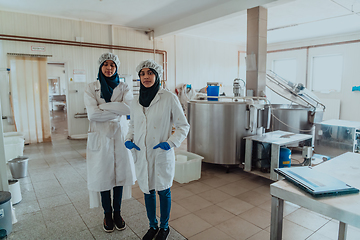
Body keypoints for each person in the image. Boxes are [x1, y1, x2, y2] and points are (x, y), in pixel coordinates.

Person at [125, 59, 190, 240]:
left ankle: (164, 227)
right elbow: (132, 125)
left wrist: (170, 143)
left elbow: (183, 126)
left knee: (163, 190)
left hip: (160, 152)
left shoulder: (169, 97)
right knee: (147, 190)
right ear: (139, 77)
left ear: (157, 75)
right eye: (142, 74)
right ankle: (152, 226)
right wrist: (128, 139)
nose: (146, 77)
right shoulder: (135, 101)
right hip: (141, 152)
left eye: (150, 73)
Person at [84, 52, 136, 233]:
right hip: (100, 137)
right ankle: (107, 214)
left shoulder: (124, 87)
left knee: (119, 176)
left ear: (116, 68)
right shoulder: (91, 87)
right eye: (105, 64)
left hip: (119, 136)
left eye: (112, 65)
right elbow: (93, 115)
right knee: (103, 176)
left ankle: (117, 213)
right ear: (100, 67)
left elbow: (129, 108)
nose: (108, 68)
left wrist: (103, 107)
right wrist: (117, 111)